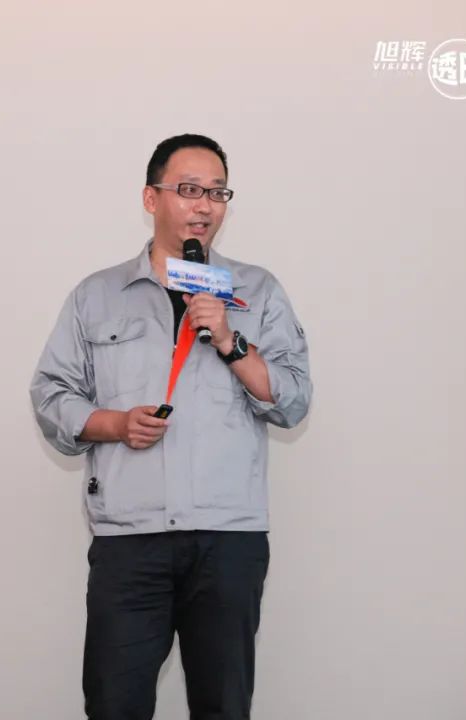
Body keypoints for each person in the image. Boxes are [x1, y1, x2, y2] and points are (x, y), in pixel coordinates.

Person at [30, 134, 312, 719]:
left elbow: (292, 401)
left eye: (217, 193)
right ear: (150, 198)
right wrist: (113, 423)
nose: (204, 205)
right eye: (189, 190)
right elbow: (51, 394)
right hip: (130, 541)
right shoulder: (97, 295)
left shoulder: (257, 291)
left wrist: (231, 342)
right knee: (114, 706)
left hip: (228, 539)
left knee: (223, 706)